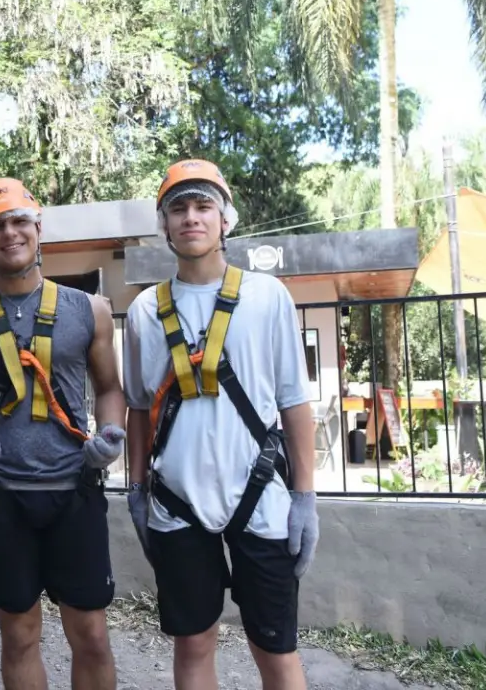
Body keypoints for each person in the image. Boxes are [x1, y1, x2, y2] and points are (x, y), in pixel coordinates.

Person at [122, 158, 320, 690]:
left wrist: (304, 497)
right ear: (163, 225)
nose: (191, 218)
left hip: (262, 500)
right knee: (193, 645)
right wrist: (136, 489)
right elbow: (138, 409)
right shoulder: (145, 311)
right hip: (178, 502)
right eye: (178, 208)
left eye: (203, 206)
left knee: (276, 649)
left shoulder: (267, 296)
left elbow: (295, 401)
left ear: (225, 219)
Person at [0, 177, 126, 690]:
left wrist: (110, 433)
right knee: (19, 634)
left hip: (74, 490)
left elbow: (110, 388)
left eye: (19, 221)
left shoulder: (90, 310)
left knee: (90, 634)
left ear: (39, 228)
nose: (9, 234)